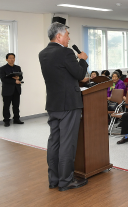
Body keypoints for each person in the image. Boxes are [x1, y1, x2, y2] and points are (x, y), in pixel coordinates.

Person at [38, 22, 89, 191]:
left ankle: (54, 180)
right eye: (67, 35)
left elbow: (62, 74)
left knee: (54, 141)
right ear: (59, 36)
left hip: (53, 104)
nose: (69, 38)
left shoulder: (43, 53)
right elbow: (80, 74)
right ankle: (66, 181)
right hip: (69, 104)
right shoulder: (66, 52)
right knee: (68, 143)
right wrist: (82, 60)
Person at [0, 53, 23, 127]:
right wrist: (14, 81)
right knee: (6, 106)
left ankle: (16, 119)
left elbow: (21, 76)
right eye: (10, 58)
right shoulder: (2, 68)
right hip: (7, 90)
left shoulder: (18, 67)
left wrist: (18, 78)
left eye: (13, 58)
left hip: (16, 90)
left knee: (16, 106)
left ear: (14, 59)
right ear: (6, 59)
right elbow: (3, 79)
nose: (12, 59)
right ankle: (6, 121)